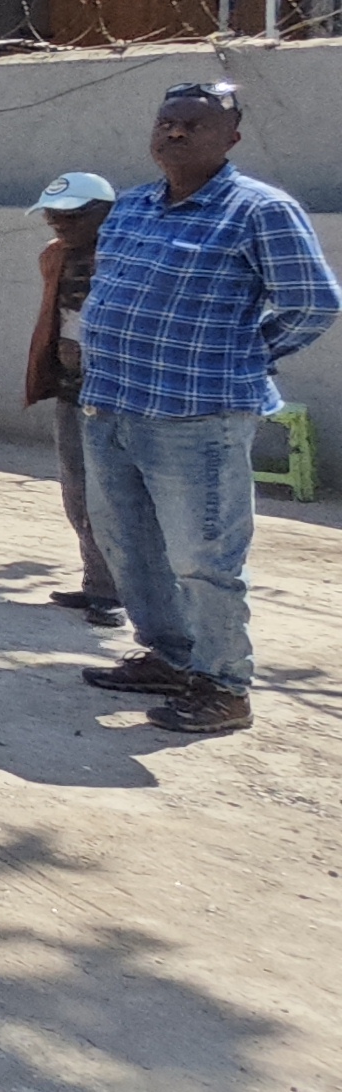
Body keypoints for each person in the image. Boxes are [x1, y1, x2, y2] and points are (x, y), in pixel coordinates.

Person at [75, 81, 340, 735]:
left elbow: (314, 302)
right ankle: (170, 657)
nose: (175, 132)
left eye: (194, 123)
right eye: (167, 121)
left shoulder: (259, 210)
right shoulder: (133, 205)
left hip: (199, 418)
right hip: (112, 407)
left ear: (232, 139)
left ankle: (225, 687)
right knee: (130, 547)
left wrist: (244, 358)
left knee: (204, 558)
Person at [22, 169, 123, 626]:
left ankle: (128, 596)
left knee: (118, 498)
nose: (59, 224)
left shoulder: (127, 257)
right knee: (78, 494)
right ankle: (98, 586)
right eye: (52, 216)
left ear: (104, 213)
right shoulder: (56, 258)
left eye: (71, 215)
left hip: (121, 396)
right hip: (72, 391)